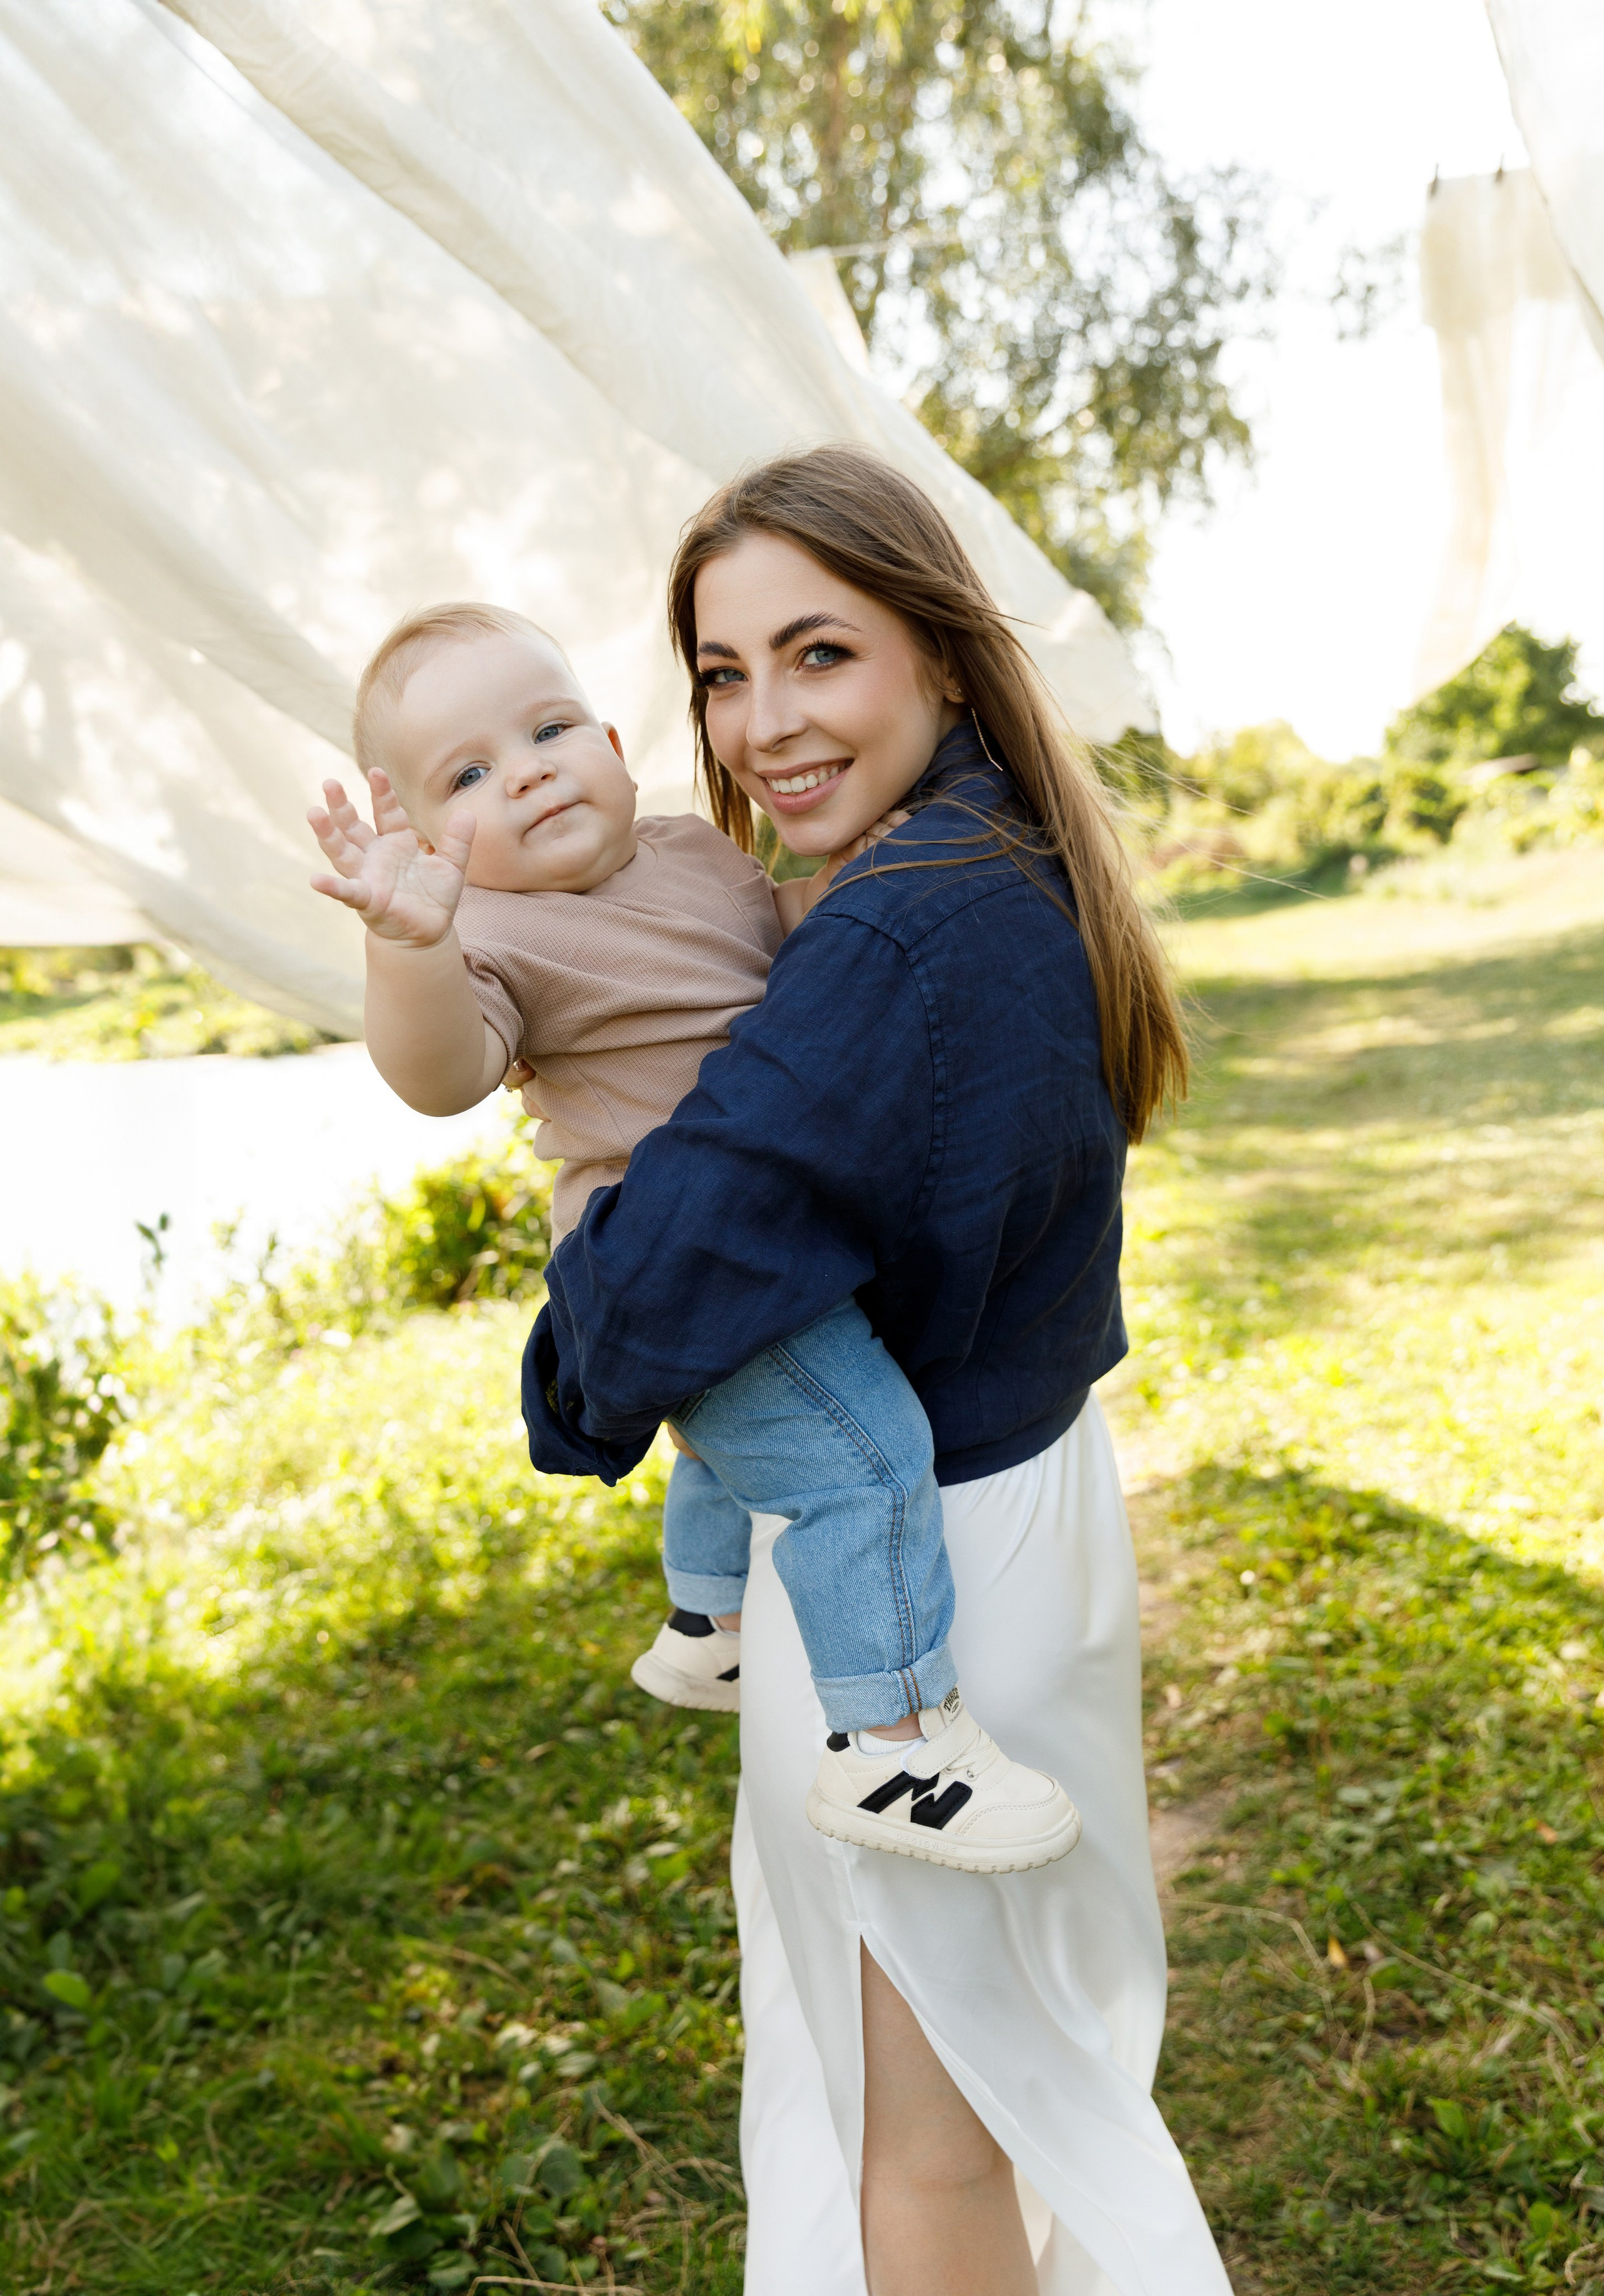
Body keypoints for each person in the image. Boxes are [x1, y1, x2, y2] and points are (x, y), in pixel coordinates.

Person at [523, 445, 1235, 2295]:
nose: (762, 723)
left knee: (924, 2151)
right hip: (1018, 1522)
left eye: (817, 653)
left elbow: (650, 1294)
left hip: (923, 1593)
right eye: (721, 673)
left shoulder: (898, 926)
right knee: (988, 2089)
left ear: (936, 650)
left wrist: (577, 1289)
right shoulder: (1002, 856)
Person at [305, 601, 1080, 1874]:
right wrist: (411, 946)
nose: (527, 772)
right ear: (426, 840)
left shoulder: (694, 854)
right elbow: (440, 1074)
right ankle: (891, 1748)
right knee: (860, 1458)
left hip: (761, 1223)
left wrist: (871, 871)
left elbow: (794, 951)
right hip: (682, 1262)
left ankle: (707, 1620)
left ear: (615, 746)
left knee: (739, 1441)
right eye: (468, 776)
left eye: (549, 730)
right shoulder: (485, 933)